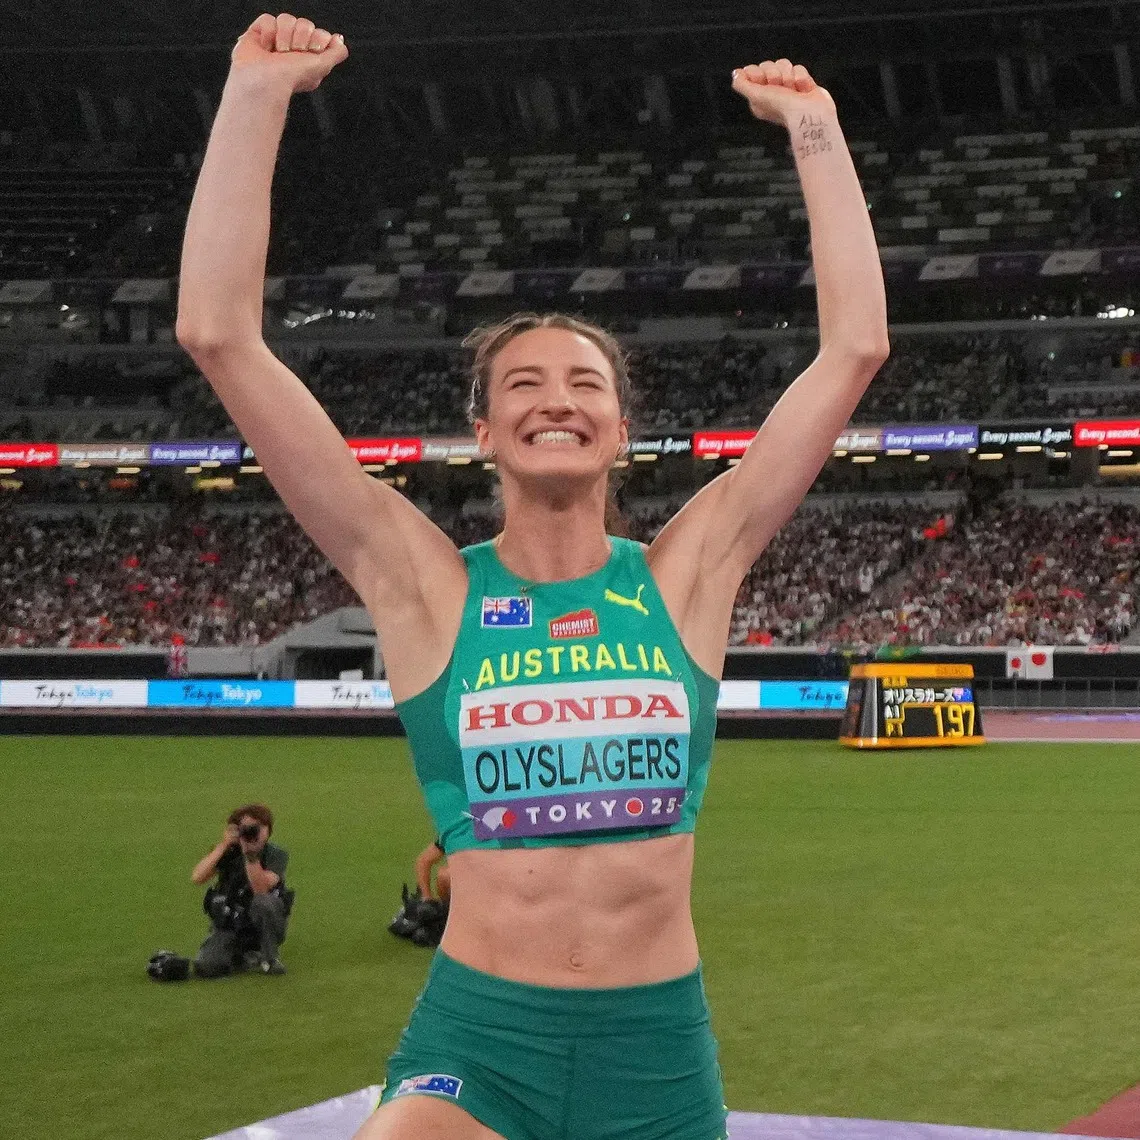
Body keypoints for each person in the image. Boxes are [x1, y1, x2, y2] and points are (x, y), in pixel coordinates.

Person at [176, 13, 886, 1138]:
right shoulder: (421, 585)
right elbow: (220, 333)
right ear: (485, 434)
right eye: (523, 384)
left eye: (585, 382)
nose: (557, 396)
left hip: (655, 1055)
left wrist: (816, 128)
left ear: (619, 429)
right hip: (479, 1041)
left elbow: (852, 349)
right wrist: (255, 96)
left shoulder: (689, 574)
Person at [190, 803, 291, 977]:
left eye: (258, 828)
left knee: (264, 902)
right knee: (207, 967)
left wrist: (250, 856)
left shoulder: (275, 854)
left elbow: (261, 889)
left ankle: (269, 957)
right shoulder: (229, 852)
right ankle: (242, 956)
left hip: (261, 923)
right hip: (231, 924)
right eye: (247, 829)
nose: (253, 833)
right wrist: (224, 845)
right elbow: (198, 877)